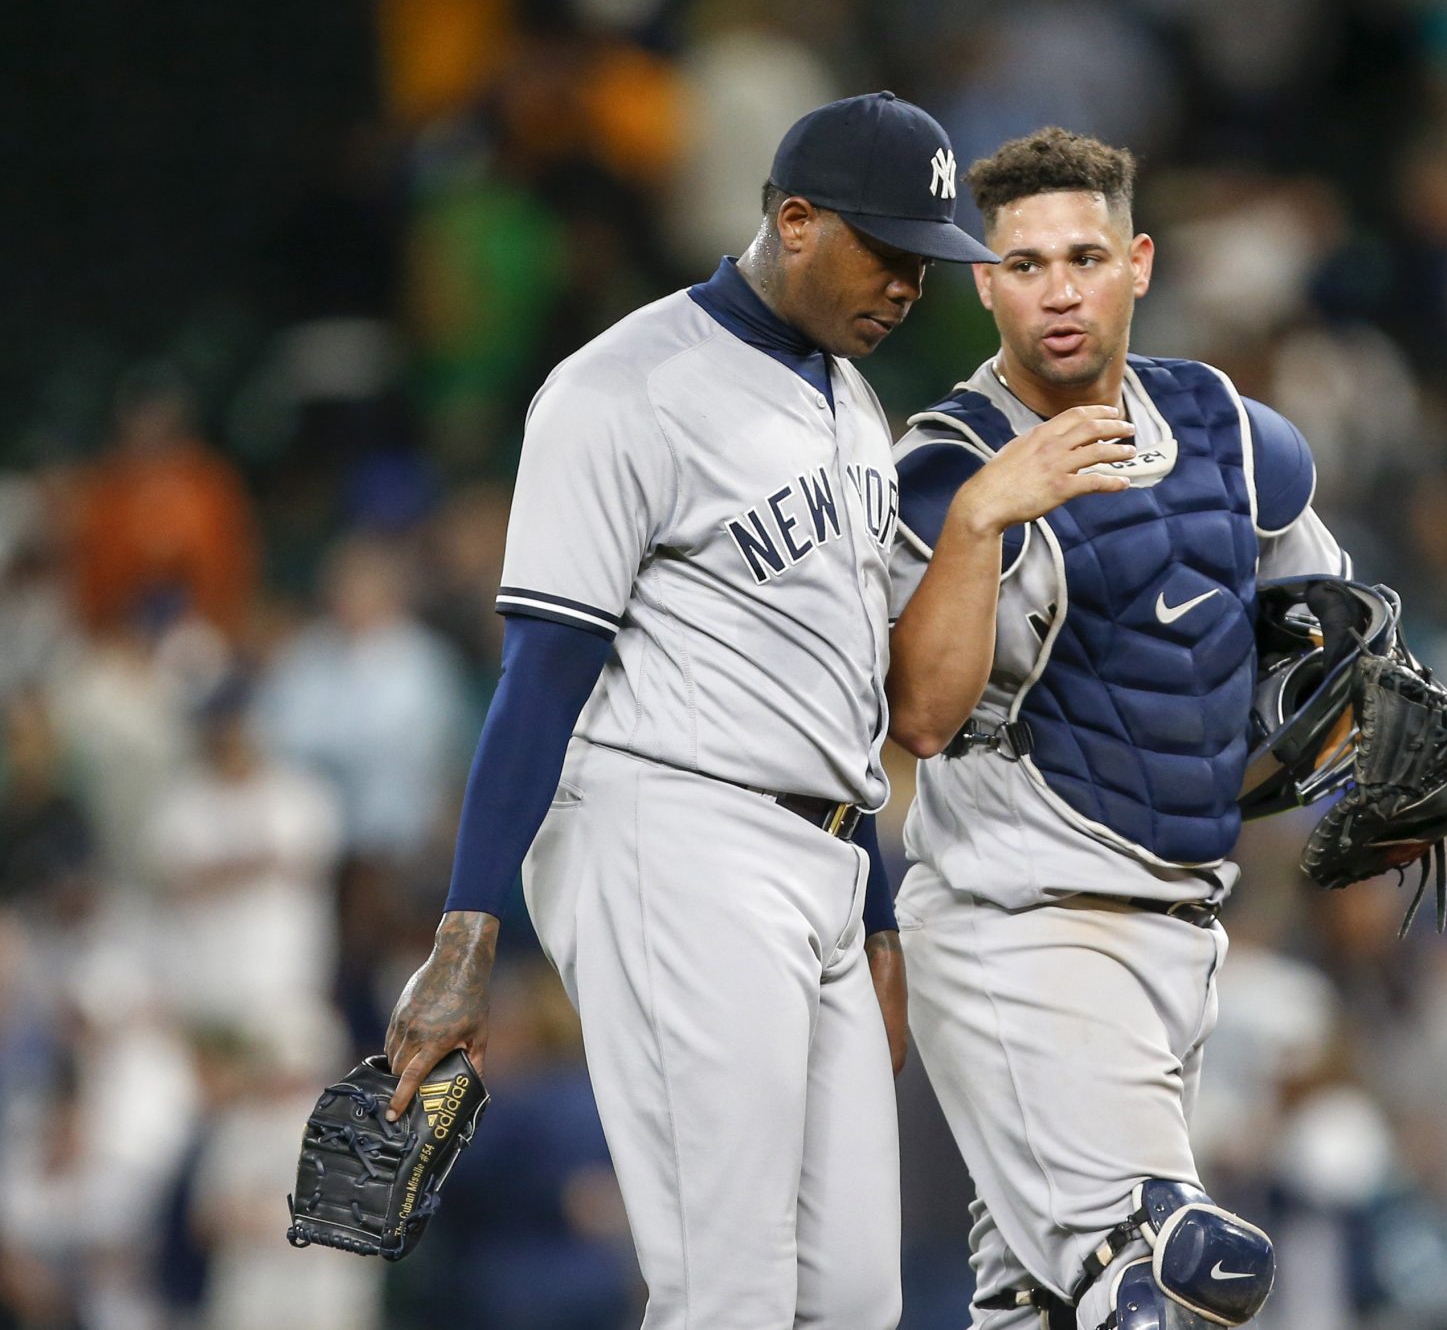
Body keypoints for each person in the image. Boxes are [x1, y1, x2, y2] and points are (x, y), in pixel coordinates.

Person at [379, 92, 997, 1329]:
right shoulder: (622, 388)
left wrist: (874, 909)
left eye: (925, 266)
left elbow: (831, 697)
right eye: (886, 253)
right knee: (729, 1286)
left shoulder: (855, 406)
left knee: (854, 1298)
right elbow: (541, 670)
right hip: (673, 834)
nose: (906, 290)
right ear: (797, 221)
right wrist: (465, 934)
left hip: (819, 857)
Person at [886, 127, 1353, 1329]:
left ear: (1137, 262)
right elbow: (920, 716)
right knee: (1175, 1274)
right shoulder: (946, 463)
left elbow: (1328, 639)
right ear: (984, 282)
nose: (1057, 288)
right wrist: (982, 521)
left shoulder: (1227, 431)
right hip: (1020, 928)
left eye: (1083, 255)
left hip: (1183, 935)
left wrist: (1361, 712)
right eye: (1025, 263)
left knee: (1032, 1306)